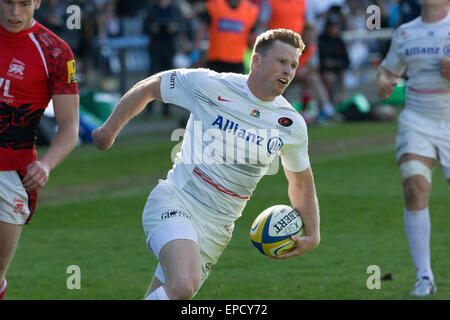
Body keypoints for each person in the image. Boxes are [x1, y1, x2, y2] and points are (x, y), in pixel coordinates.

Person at [92, 28, 320, 300]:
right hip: (177, 200)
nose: (289, 70)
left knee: (171, 293)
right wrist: (109, 129)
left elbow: (300, 180)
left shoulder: (290, 123)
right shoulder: (210, 85)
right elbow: (152, 86)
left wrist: (313, 233)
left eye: (293, 65)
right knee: (183, 284)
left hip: (218, 228)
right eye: (281, 61)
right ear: (256, 60)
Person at [0, 0, 79, 299]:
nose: (14, 12)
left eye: (23, 3)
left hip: (13, 177)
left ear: (37, 2)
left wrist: (46, 165)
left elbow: (69, 127)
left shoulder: (55, 51)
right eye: (8, 2)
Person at [377, 0, 450, 297]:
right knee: (415, 185)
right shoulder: (406, 32)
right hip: (417, 119)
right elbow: (387, 70)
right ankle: (424, 277)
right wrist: (384, 82)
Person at [193, 0, 259, 73]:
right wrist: (195, 51)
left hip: (237, 62)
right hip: (215, 60)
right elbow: (201, 29)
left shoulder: (250, 10)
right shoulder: (214, 5)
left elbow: (251, 38)